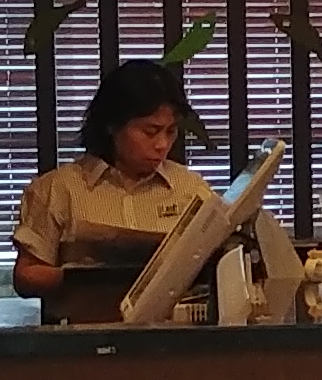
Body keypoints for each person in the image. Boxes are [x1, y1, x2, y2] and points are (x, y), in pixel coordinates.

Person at [15, 59, 214, 323]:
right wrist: (83, 278)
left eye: (170, 131)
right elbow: (25, 276)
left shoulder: (191, 188)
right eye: (150, 131)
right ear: (112, 126)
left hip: (172, 336)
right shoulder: (59, 188)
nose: (162, 144)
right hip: (85, 336)